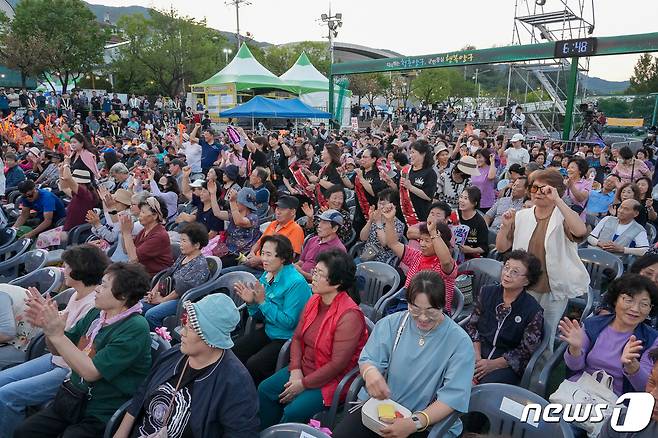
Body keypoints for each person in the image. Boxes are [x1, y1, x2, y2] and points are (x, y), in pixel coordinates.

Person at [15, 262, 153, 438]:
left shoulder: (135, 327)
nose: (97, 289)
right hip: (73, 398)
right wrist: (48, 329)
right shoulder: (97, 313)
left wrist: (57, 335)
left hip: (101, 410)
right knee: (24, 432)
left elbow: (91, 372)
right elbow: (58, 350)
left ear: (123, 296)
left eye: (103, 286)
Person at [332, 271, 475, 438]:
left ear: (443, 305)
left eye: (431, 311)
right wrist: (370, 373)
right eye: (415, 309)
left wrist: (414, 423)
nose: (422, 317)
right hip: (383, 409)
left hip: (426, 421)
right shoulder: (392, 324)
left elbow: (452, 398)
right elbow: (368, 359)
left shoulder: (459, 342)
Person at [112, 293, 260, 438]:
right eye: (185, 324)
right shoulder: (174, 354)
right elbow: (142, 393)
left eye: (190, 328)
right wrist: (120, 433)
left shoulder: (236, 383)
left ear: (209, 336)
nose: (182, 332)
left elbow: (242, 432)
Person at [0, 245, 110, 438]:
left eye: (66, 266)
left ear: (80, 269)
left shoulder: (95, 304)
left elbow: (77, 347)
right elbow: (59, 329)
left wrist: (48, 323)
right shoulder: (78, 294)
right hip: (55, 358)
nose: (63, 269)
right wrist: (46, 317)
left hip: (69, 369)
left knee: (7, 396)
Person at [258, 249, 368, 429]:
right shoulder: (315, 299)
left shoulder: (349, 316)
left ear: (337, 282)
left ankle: (282, 432)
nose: (313, 277)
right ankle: (265, 430)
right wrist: (295, 370)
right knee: (266, 389)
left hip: (331, 379)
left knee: (294, 410)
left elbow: (337, 365)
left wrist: (303, 384)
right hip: (303, 369)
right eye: (314, 271)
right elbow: (297, 338)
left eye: (319, 274)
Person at [496, 168, 589, 346]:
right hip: (523, 285)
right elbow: (502, 247)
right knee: (519, 331)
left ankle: (539, 372)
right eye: (534, 188)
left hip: (552, 288)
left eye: (544, 189)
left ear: (555, 191)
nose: (538, 193)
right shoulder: (522, 216)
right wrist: (505, 226)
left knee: (545, 335)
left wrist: (558, 201)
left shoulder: (563, 216)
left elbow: (580, 230)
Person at [559, 274, 658, 396]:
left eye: (644, 304)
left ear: (650, 309)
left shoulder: (652, 339)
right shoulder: (593, 325)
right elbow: (574, 367)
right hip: (579, 391)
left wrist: (632, 365)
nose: (635, 309)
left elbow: (645, 387)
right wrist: (575, 349)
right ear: (615, 300)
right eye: (629, 300)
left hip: (617, 401)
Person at [232, 235, 312, 384]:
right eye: (262, 253)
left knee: (254, 364)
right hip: (270, 330)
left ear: (282, 258)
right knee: (235, 351)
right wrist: (251, 303)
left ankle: (253, 399)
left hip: (287, 338)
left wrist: (262, 302)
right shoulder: (267, 274)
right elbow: (258, 316)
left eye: (268, 255)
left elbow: (289, 323)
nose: (264, 259)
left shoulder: (296, 283)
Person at [465, 250, 544, 385]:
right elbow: (472, 325)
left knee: (480, 389)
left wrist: (493, 364)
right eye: (506, 267)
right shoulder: (487, 292)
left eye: (515, 272)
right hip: (477, 350)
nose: (507, 274)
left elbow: (525, 351)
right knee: (451, 372)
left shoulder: (533, 310)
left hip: (506, 364)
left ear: (527, 280)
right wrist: (476, 355)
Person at [383, 204, 457, 312]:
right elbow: (393, 244)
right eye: (421, 240)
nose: (422, 244)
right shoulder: (416, 256)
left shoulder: (445, 265)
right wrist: (389, 221)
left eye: (427, 241)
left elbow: (446, 262)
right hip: (409, 305)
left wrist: (433, 233)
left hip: (433, 312)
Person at [141, 222, 211, 330]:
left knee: (151, 315)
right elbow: (168, 273)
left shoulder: (200, 264)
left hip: (183, 300)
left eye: (184, 241)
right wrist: (153, 292)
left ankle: (162, 342)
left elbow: (181, 290)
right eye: (181, 240)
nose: (180, 244)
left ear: (197, 245)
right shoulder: (183, 256)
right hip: (167, 293)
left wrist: (161, 300)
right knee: (139, 306)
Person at [228, 195, 305, 275]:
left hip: (269, 272)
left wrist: (260, 259)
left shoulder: (296, 230)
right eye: (277, 208)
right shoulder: (273, 224)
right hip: (253, 264)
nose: (278, 212)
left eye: (282, 209)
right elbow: (259, 242)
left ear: (292, 212)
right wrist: (252, 253)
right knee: (223, 273)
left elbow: (288, 258)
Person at [120, 196, 173, 276]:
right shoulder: (145, 230)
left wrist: (127, 233)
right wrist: (125, 232)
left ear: (155, 216)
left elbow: (134, 258)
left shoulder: (159, 236)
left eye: (143, 212)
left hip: (151, 278)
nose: (140, 215)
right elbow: (126, 250)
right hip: (140, 273)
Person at [295, 209, 347, 281]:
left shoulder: (338, 249)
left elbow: (327, 279)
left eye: (324, 222)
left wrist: (301, 272)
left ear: (335, 228)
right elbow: (301, 261)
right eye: (320, 221)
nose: (319, 225)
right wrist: (293, 267)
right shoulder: (312, 240)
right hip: (298, 278)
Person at [399, 140, 438, 226]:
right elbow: (400, 190)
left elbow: (428, 196)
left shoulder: (430, 173)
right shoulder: (406, 171)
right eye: (410, 153)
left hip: (420, 215)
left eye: (413, 152)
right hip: (404, 214)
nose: (410, 155)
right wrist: (389, 181)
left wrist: (410, 187)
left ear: (423, 153)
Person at [179, 167, 224, 238]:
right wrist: (185, 176)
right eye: (201, 190)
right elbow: (186, 192)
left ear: (212, 193)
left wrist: (195, 242)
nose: (201, 193)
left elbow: (212, 234)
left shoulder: (217, 213)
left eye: (204, 191)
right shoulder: (201, 203)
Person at [458, 187, 489, 259]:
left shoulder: (480, 222)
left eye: (466, 198)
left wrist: (471, 250)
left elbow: (484, 248)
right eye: (461, 197)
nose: (461, 200)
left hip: (470, 258)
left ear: (475, 203)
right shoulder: (454, 215)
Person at [563, 156, 592, 221]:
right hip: (562, 216)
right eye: (568, 168)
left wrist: (571, 186)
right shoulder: (564, 181)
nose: (569, 170)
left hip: (577, 218)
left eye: (572, 167)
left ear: (580, 171)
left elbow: (581, 198)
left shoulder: (586, 183)